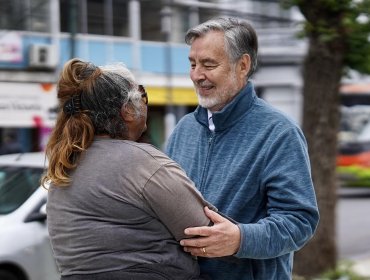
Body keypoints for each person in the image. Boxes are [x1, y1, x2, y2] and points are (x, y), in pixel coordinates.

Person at [165, 17, 320, 280]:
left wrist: (240, 239)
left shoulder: (279, 133)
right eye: (193, 64)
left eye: (208, 65)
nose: (196, 75)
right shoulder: (183, 129)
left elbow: (299, 221)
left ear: (243, 65)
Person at [41, 58, 219, 280]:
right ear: (127, 110)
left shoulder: (65, 166)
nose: (145, 103)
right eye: (142, 96)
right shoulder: (142, 162)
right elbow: (208, 233)